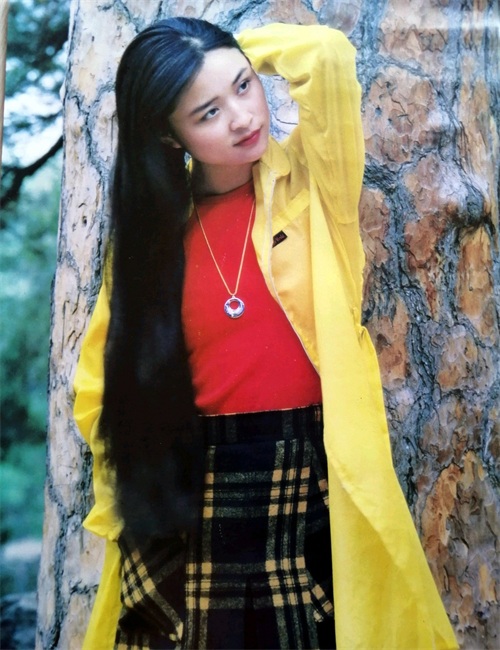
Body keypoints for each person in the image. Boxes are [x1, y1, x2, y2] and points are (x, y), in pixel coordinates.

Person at [73, 16, 458, 650]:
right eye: (207, 112)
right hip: (184, 486)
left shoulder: (312, 188)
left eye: (245, 86)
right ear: (169, 135)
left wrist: (219, 51)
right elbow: (100, 383)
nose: (243, 117)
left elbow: (326, 57)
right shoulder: (149, 237)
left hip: (306, 476)